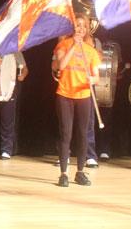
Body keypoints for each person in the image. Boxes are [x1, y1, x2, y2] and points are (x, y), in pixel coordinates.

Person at [52, 16, 101, 187]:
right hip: (65, 94)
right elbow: (61, 66)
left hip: (83, 96)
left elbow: (97, 77)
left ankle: (80, 171)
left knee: (82, 134)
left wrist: (91, 79)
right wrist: (74, 45)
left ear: (87, 29)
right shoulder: (63, 45)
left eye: (83, 26)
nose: (80, 28)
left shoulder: (91, 52)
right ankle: (64, 173)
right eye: (77, 25)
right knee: (66, 133)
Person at [0, 51, 27, 160]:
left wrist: (22, 75)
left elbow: (25, 68)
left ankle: (6, 150)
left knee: (7, 120)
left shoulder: (15, 52)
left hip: (9, 88)